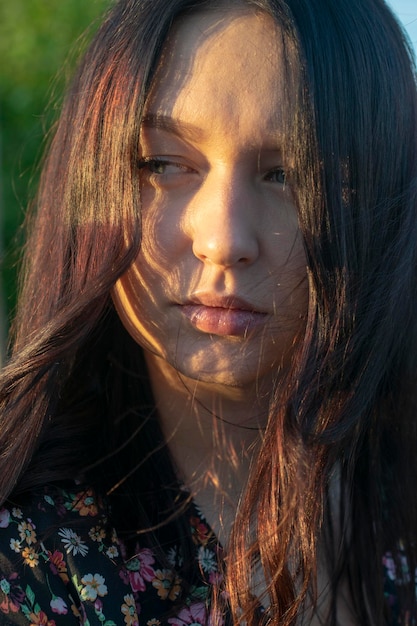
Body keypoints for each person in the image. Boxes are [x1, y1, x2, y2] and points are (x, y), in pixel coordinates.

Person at [0, 0, 416, 623]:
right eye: (163, 165)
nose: (222, 240)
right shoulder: (27, 561)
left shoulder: (394, 500)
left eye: (291, 174)